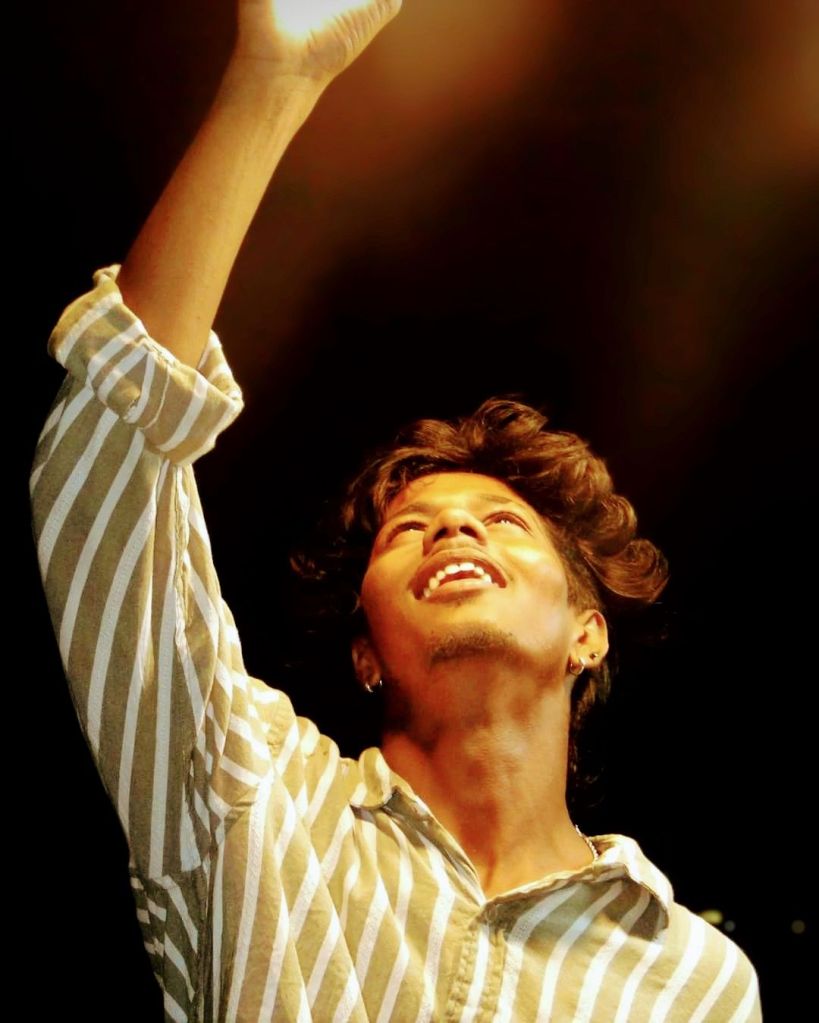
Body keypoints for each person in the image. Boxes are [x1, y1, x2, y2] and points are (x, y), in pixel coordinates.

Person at [32, 1, 762, 1019]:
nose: (454, 529)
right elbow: (110, 463)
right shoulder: (247, 793)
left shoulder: (696, 982)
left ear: (588, 633)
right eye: (408, 531)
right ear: (367, 652)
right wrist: (272, 84)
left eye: (503, 523)